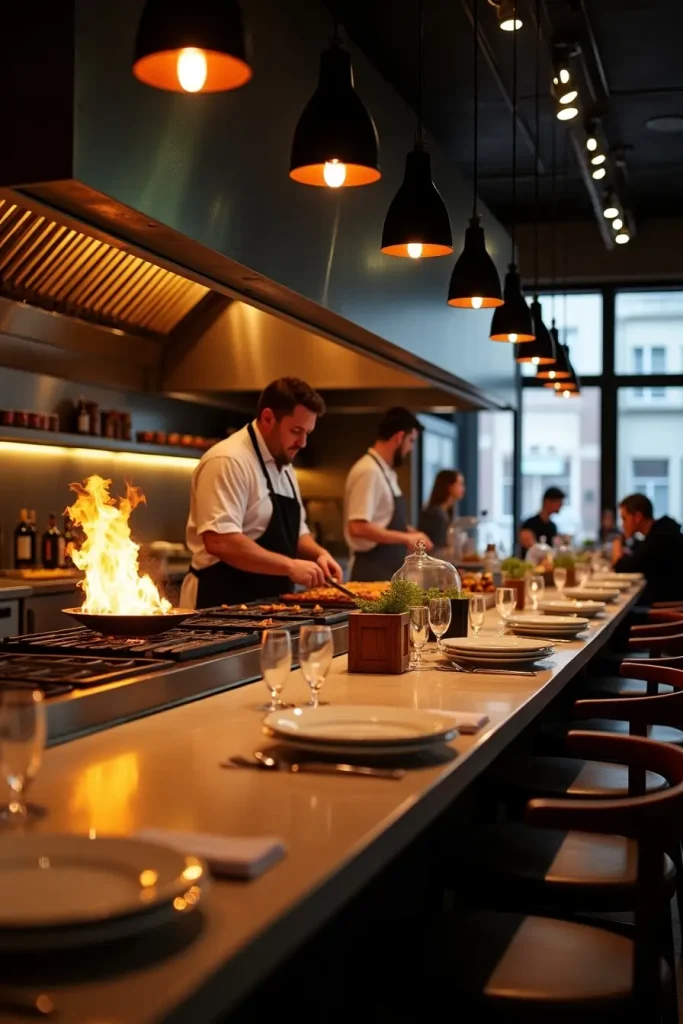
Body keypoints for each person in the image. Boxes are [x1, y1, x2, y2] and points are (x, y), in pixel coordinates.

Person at [180, 377, 343, 609]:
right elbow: (220, 541)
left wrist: (319, 555)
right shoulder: (228, 460)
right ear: (267, 418)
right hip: (220, 602)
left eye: (308, 432)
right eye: (296, 430)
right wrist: (289, 566)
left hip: (270, 606)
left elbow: (297, 534)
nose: (303, 442)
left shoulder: (285, 466)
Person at [344, 407, 433, 582]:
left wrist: (410, 532)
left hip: (387, 569)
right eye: (411, 441)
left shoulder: (385, 471)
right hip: (370, 571)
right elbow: (357, 527)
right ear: (399, 437)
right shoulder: (369, 471)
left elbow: (382, 520)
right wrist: (406, 538)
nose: (410, 449)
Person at [612, 493, 683, 605]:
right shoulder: (661, 532)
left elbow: (620, 567)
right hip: (670, 603)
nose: (623, 524)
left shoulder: (659, 539)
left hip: (666, 609)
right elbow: (639, 552)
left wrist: (616, 543)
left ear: (638, 517)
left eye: (624, 518)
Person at [418, 470, 466, 551]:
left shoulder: (444, 512)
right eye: (460, 484)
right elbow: (439, 549)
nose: (463, 488)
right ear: (449, 487)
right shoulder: (436, 514)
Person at [519, 486, 566, 558]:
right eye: (559, 502)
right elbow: (531, 548)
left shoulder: (552, 526)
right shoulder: (529, 524)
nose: (561, 505)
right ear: (547, 502)